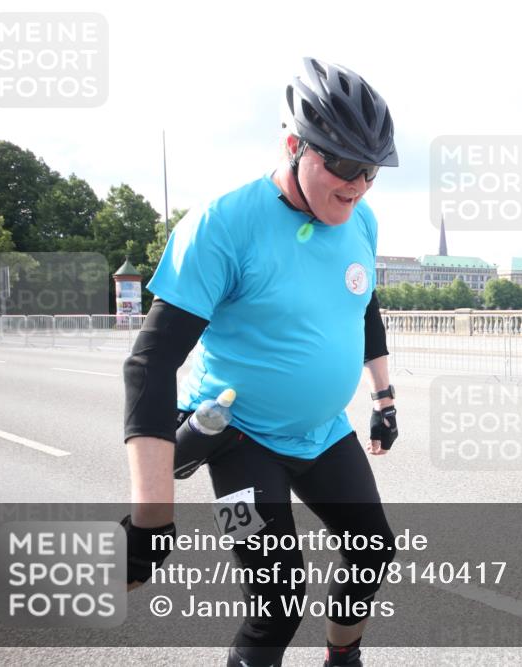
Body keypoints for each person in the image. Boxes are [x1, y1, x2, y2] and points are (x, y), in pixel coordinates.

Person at [119, 57, 400, 667]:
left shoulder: (362, 221)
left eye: (372, 170)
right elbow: (151, 362)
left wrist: (384, 397)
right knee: (277, 598)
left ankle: (342, 658)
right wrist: (150, 516)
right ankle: (188, 448)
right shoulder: (223, 224)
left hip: (322, 433)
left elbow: (364, 308)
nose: (358, 185)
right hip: (236, 439)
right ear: (296, 144)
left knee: (373, 552)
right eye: (346, 165)